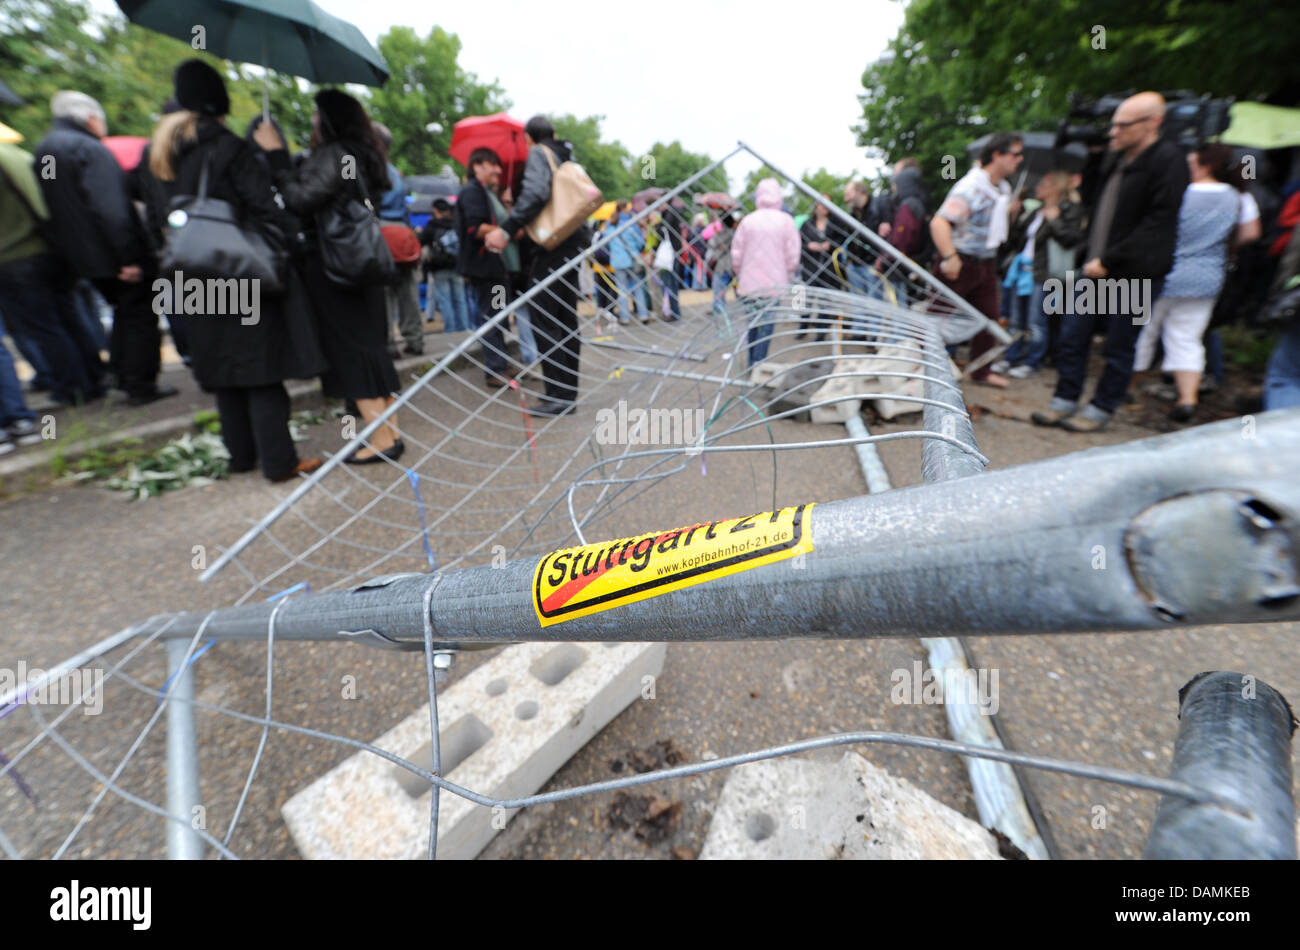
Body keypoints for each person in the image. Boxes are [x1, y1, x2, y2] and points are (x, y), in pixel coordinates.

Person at [147, 59, 325, 482]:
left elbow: (152, 219)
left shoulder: (158, 154)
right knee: (260, 370)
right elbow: (263, 209)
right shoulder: (229, 147)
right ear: (219, 103)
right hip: (237, 271)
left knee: (223, 373)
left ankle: (240, 456)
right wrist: (291, 243)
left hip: (187, 275)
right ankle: (280, 463)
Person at [256, 88, 404, 464]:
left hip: (335, 266)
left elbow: (301, 199)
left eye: (317, 116)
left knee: (353, 350)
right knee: (372, 347)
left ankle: (382, 441)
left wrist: (276, 156)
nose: (313, 123)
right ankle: (389, 433)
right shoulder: (367, 156)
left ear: (328, 120)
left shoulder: (335, 154)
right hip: (361, 261)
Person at [1033, 92, 1188, 432]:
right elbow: (1090, 201)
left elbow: (1158, 223)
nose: (1113, 132)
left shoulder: (1168, 161)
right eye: (1113, 125)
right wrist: (1093, 155)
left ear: (1152, 123)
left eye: (1122, 125)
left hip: (1133, 273)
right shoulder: (1116, 159)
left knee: (1118, 346)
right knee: (1073, 336)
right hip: (1095, 269)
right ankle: (1064, 400)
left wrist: (1111, 258)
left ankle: (1100, 409)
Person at [34, 91, 176, 405]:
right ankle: (140, 385)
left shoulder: (45, 150)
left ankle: (123, 377)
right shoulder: (88, 149)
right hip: (113, 253)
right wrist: (128, 256)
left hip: (82, 257)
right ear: (91, 119)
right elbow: (111, 208)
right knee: (138, 314)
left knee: (124, 312)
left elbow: (54, 207)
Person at [1132, 143, 1260, 423]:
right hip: (1207, 276)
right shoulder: (1239, 198)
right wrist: (1222, 246)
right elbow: (1251, 233)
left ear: (1204, 165)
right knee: (1187, 338)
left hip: (1165, 272)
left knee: (1144, 330)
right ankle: (1187, 398)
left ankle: (1126, 386)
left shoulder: (1181, 192)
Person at [484, 115, 592, 416]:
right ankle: (566, 393)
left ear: (529, 138)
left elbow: (536, 194)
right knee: (565, 317)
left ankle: (558, 395)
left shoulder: (537, 153)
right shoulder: (563, 154)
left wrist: (507, 227)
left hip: (553, 244)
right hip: (572, 240)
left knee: (544, 316)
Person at [0, 133, 106, 411]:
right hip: (49, 249)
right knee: (70, 316)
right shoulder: (20, 154)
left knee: (44, 328)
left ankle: (74, 389)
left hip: (14, 257)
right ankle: (94, 378)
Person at [930, 132, 1025, 388]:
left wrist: (1010, 213)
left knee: (989, 318)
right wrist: (950, 257)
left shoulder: (1001, 192)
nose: (1020, 159)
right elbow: (939, 222)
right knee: (938, 318)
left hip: (985, 262)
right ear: (997, 155)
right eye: (1015, 153)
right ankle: (926, 370)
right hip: (959, 261)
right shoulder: (970, 188)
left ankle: (981, 371)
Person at [996, 171, 1086, 378]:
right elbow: (1015, 241)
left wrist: (1055, 221)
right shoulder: (1034, 211)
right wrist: (1014, 216)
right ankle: (1011, 357)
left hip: (1046, 274)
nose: (1037, 187)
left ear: (1055, 187)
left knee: (1037, 321)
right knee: (1016, 320)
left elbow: (1072, 240)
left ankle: (1032, 362)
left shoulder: (1069, 210)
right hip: (1022, 271)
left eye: (1043, 184)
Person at [453, 147, 514, 388]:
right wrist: (506, 230)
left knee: (497, 314)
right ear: (477, 165)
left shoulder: (484, 192)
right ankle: (495, 368)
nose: (498, 169)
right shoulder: (472, 192)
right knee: (491, 315)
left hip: (494, 267)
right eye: (492, 164)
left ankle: (500, 362)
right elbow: (475, 228)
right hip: (485, 267)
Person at [731, 178, 800, 368]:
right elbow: (793, 254)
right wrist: (789, 273)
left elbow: (736, 253)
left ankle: (752, 361)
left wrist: (739, 273)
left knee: (752, 324)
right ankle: (758, 364)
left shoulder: (748, 220)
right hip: (774, 283)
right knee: (766, 326)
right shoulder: (786, 221)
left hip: (749, 283)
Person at [373, 122, 424, 357]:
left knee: (383, 293)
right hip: (402, 232)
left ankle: (388, 343)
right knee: (407, 291)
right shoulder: (396, 172)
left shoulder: (372, 169)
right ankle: (415, 339)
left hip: (380, 230)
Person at [419, 197, 470, 332]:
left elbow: (421, 241)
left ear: (435, 210)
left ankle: (450, 329)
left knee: (444, 299)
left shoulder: (432, 225)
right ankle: (464, 329)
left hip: (439, 266)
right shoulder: (456, 224)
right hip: (457, 266)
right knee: (460, 299)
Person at [797, 197, 838, 340]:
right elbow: (799, 243)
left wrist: (830, 245)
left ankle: (821, 330)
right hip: (809, 266)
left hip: (828, 268)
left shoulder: (834, 225)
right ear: (816, 206)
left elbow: (839, 242)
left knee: (824, 300)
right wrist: (809, 246)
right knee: (803, 298)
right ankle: (802, 326)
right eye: (822, 203)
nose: (825, 207)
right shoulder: (807, 224)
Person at [606, 202, 647, 325]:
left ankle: (625, 317)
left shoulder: (609, 229)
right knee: (638, 288)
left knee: (622, 290)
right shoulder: (631, 224)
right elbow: (640, 243)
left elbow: (607, 246)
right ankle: (643, 314)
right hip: (633, 259)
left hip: (618, 261)